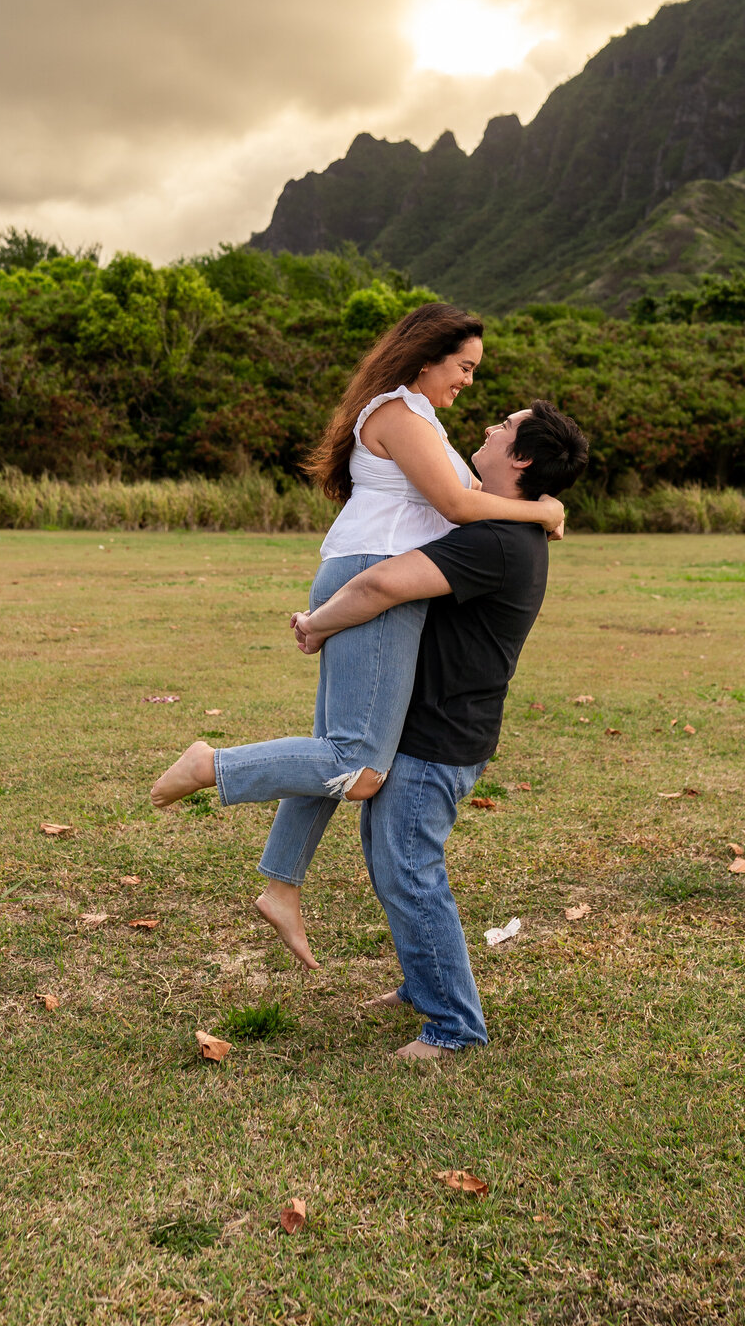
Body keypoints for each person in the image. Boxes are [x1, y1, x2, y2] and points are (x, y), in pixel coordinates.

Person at [149, 303, 565, 968]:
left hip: (373, 576)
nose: (468, 383)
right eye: (464, 367)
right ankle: (212, 766)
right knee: (359, 766)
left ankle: (282, 884)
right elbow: (458, 508)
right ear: (427, 356)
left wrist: (535, 510)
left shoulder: (421, 420)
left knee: (335, 754)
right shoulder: (400, 413)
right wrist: (539, 507)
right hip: (376, 582)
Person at [291, 400, 589, 1059]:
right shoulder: (507, 526)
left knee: (408, 868)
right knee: (390, 859)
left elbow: (382, 585)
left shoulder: (497, 540)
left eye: (504, 427)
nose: (488, 428)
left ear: (521, 458)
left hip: (441, 734)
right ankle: (422, 982)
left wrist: (317, 624)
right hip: (432, 726)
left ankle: (454, 1026)